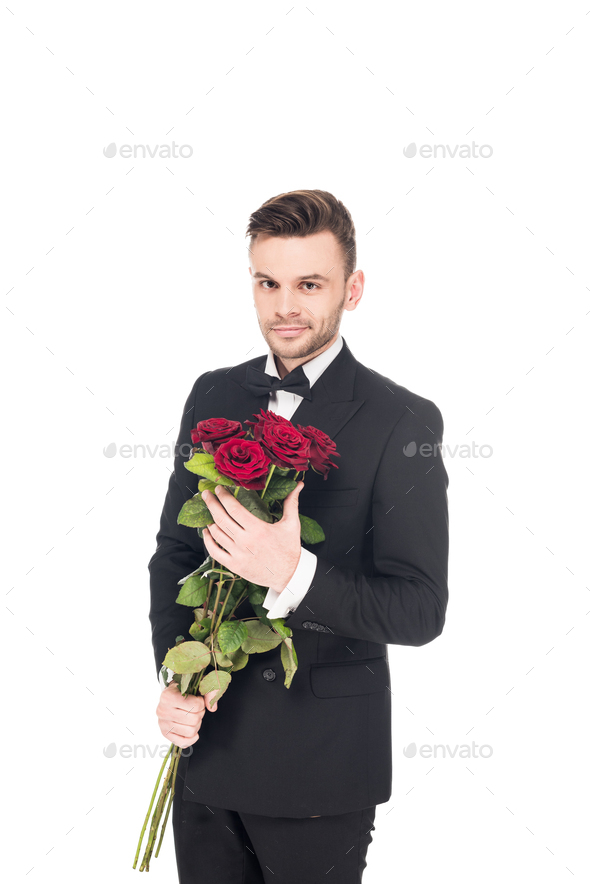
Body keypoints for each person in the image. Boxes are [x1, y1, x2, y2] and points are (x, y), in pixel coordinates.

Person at [148, 189, 449, 883]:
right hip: (207, 752)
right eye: (268, 282)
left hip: (321, 771)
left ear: (353, 289)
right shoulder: (213, 394)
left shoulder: (401, 420)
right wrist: (175, 672)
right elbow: (175, 553)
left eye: (309, 284)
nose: (285, 305)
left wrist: (293, 573)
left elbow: (418, 608)